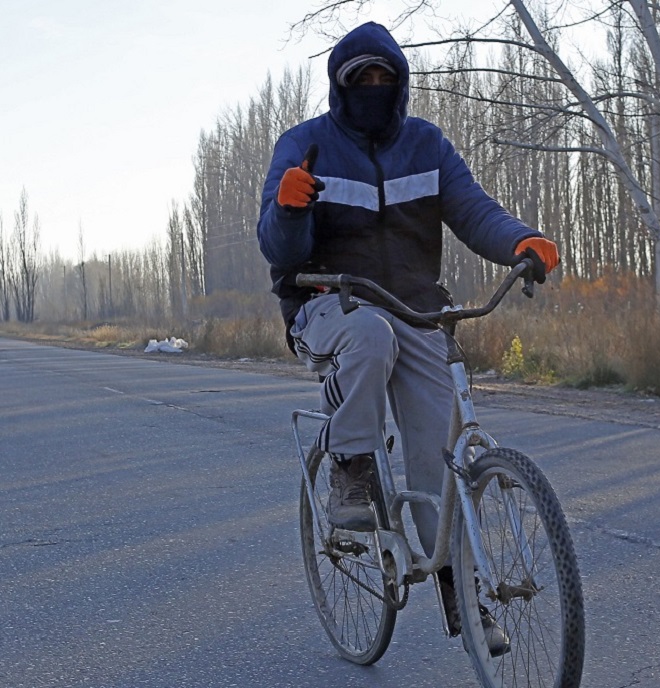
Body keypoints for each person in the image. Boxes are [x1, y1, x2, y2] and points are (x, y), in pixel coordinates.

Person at [257, 21, 559, 653]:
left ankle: (463, 597)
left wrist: (520, 242)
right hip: (328, 304)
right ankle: (350, 468)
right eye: (360, 78)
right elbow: (278, 249)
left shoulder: (427, 145)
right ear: (340, 88)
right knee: (368, 335)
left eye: (383, 77)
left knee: (438, 461)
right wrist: (289, 207)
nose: (372, 86)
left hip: (419, 308)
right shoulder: (306, 144)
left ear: (399, 85)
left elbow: (475, 209)